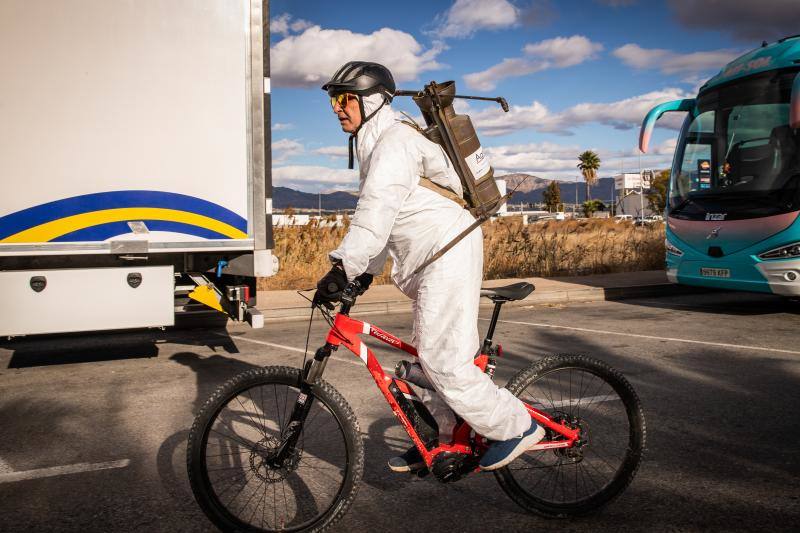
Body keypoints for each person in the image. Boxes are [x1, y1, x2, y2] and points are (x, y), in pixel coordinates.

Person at [314, 61, 544, 472]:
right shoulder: (377, 142)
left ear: (370, 101)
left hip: (448, 252)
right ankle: (444, 442)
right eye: (334, 98)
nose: (336, 107)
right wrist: (364, 272)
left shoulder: (394, 143)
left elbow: (374, 214)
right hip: (432, 257)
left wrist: (342, 268)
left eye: (343, 97)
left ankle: (515, 427)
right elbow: (389, 220)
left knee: (443, 360)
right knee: (423, 367)